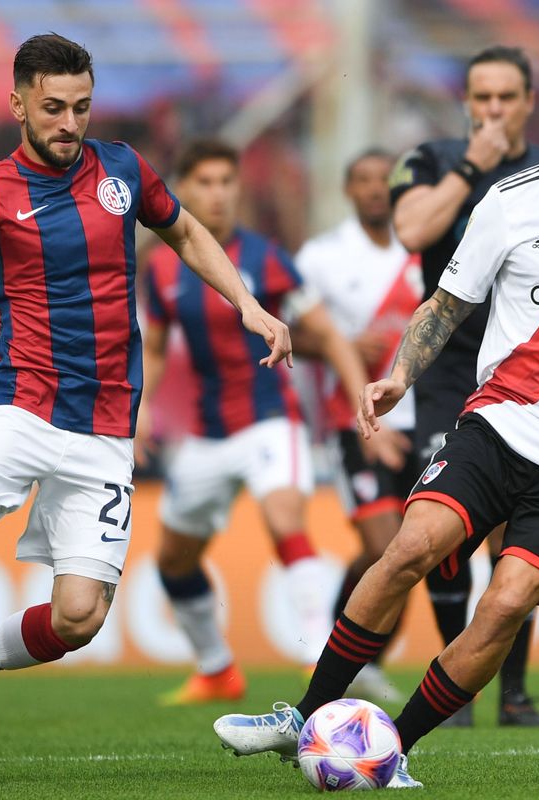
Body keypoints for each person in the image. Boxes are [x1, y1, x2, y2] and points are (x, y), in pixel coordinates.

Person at [214, 57, 539, 789]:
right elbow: (446, 305)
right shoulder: (510, 202)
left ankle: (391, 748)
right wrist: (400, 376)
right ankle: (307, 716)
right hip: (498, 426)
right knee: (409, 548)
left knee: (504, 606)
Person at [0, 34, 292, 778]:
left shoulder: (123, 171)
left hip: (104, 427)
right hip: (18, 404)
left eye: (80, 107)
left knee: (79, 618)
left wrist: (248, 305)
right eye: (52, 109)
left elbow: (187, 231)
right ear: (17, 104)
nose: (69, 123)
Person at [138, 139, 369, 705]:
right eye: (206, 183)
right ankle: (217, 669)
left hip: (271, 417)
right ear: (183, 190)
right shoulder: (162, 267)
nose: (218, 194)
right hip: (207, 432)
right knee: (172, 559)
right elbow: (157, 347)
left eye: (227, 181)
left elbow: (328, 334)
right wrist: (141, 405)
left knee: (285, 515)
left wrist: (361, 392)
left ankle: (320, 660)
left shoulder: (266, 257)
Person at [389, 44, 539, 728]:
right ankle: (455, 689)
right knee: (443, 529)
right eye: (481, 97)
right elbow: (409, 231)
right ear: (466, 102)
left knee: (519, 534)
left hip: (529, 370)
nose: (492, 110)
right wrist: (471, 168)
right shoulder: (429, 161)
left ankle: (512, 693)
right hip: (450, 367)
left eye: (505, 98)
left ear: (528, 102)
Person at [293, 148, 423, 704]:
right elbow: (287, 337)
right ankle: (347, 653)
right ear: (347, 189)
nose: (374, 189)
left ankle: (363, 657)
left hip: (425, 420)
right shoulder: (321, 257)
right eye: (362, 179)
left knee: (411, 550)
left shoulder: (423, 251)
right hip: (355, 423)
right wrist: (338, 347)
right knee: (385, 545)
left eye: (383, 180)